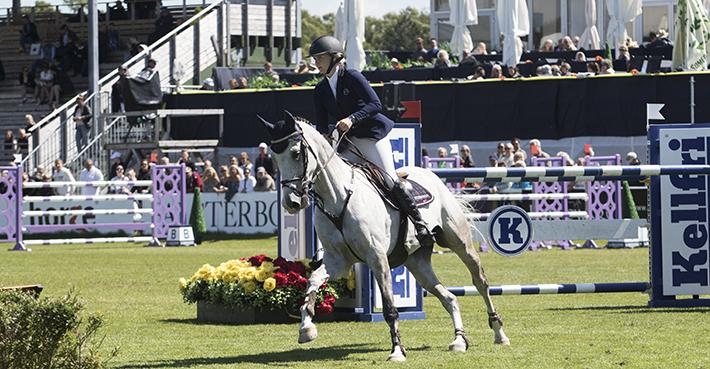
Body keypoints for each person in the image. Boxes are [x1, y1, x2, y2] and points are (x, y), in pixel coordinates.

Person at [309, 35, 434, 246]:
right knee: (334, 182)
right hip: (348, 142)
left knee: (389, 180)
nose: (316, 63)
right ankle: (330, 243)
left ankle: (419, 224)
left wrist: (351, 118)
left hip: (371, 135)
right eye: (315, 59)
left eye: (320, 58)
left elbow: (375, 104)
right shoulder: (320, 90)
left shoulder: (353, 77)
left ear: (334, 58)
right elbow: (321, 125)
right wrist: (324, 139)